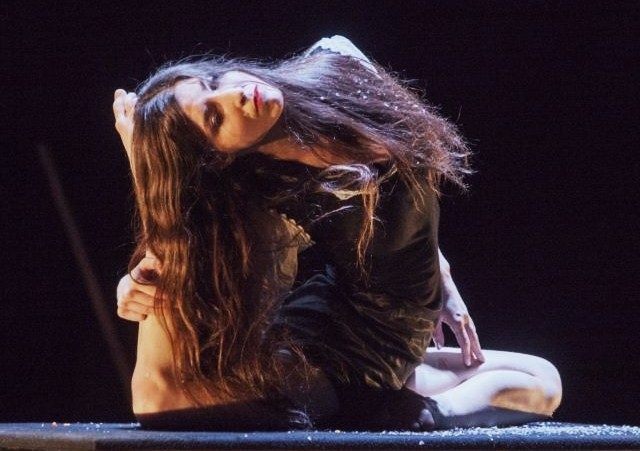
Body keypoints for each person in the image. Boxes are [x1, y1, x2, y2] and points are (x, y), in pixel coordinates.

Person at [113, 36, 562, 431]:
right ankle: (415, 413)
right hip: (357, 356)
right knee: (161, 401)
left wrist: (439, 271)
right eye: (215, 118)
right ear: (219, 156)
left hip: (352, 315)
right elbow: (190, 249)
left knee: (544, 378)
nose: (236, 94)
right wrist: (147, 180)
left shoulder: (335, 65)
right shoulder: (259, 188)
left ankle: (400, 405)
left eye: (213, 82)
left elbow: (412, 202)